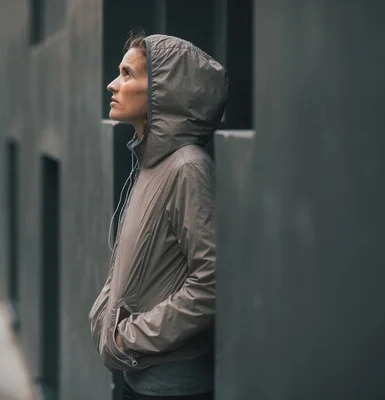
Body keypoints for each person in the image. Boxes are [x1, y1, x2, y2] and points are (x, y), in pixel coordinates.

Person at [89, 32, 228, 400]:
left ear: (161, 91)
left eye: (127, 74)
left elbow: (212, 282)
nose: (113, 84)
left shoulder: (188, 167)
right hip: (140, 379)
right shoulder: (151, 164)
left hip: (172, 388)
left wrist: (128, 335)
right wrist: (104, 317)